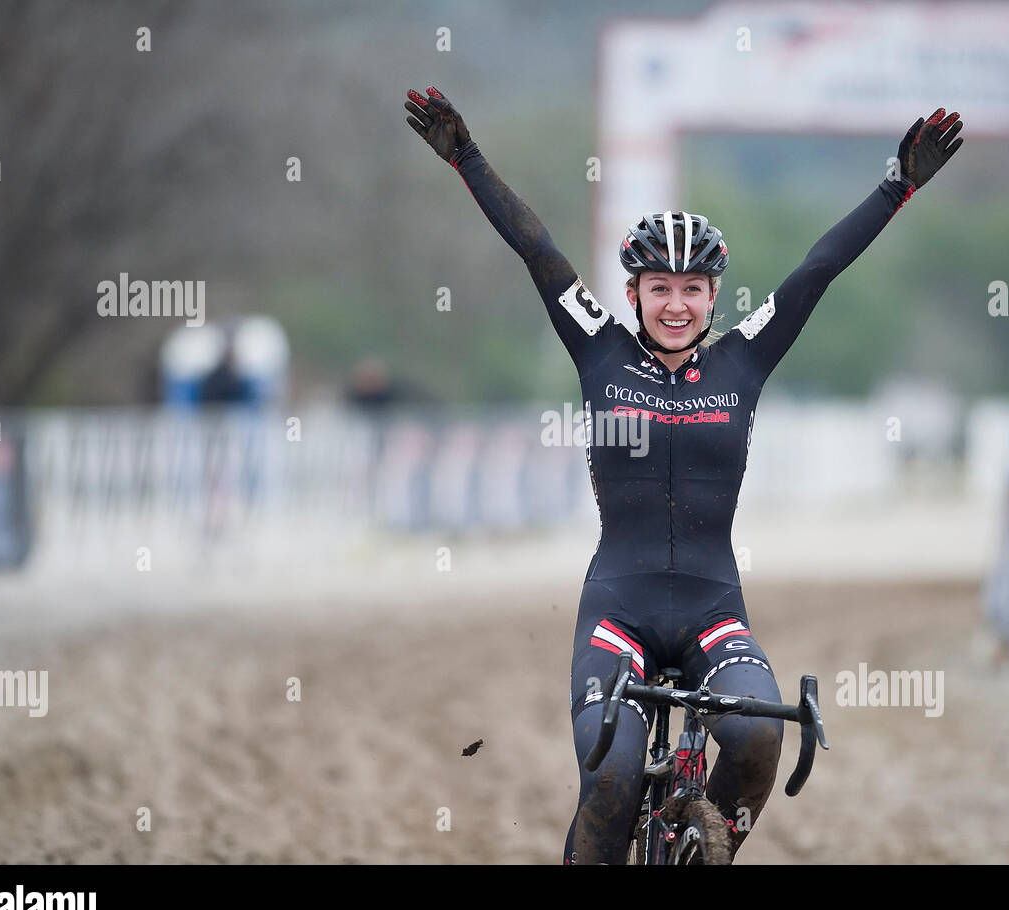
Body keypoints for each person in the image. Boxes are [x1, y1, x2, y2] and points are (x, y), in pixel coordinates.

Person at [406, 84, 963, 864]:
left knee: (759, 733)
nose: (676, 304)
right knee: (612, 781)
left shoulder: (744, 359)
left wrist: (897, 184)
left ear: (712, 295)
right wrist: (466, 155)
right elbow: (536, 249)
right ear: (632, 292)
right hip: (618, 611)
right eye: (659, 288)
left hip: (711, 606)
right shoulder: (598, 346)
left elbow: (819, 268)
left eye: (691, 289)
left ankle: (716, 846)